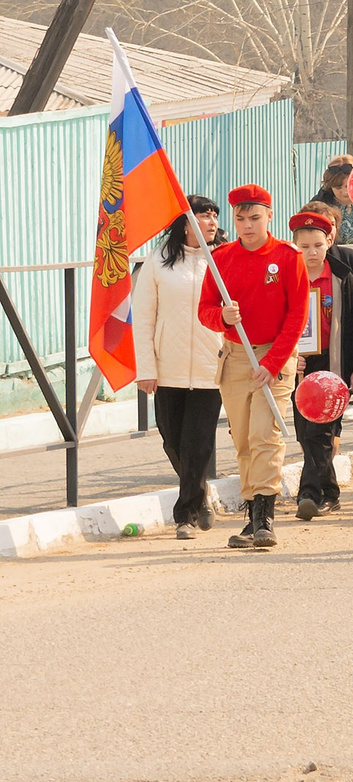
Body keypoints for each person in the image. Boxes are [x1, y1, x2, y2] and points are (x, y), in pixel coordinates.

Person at [195, 185, 304, 551]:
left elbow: (297, 315)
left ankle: (264, 515)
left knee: (264, 435)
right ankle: (250, 513)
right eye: (240, 219)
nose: (247, 226)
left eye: (255, 218)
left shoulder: (288, 257)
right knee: (242, 439)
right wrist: (222, 317)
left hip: (275, 355)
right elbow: (204, 310)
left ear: (269, 216)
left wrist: (274, 362)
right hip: (236, 355)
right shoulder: (221, 258)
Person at [133, 202, 223, 539]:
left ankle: (185, 514)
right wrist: (146, 367)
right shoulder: (158, 261)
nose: (212, 221)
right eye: (204, 215)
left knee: (197, 443)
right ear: (186, 222)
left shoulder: (223, 259)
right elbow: (143, 318)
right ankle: (200, 491)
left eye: (215, 215)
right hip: (166, 367)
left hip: (209, 367)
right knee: (173, 440)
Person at [288, 207, 353, 521]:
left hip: (334, 364)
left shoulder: (341, 277)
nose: (311, 252)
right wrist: (286, 357)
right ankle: (330, 493)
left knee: (322, 432)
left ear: (329, 241)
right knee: (304, 431)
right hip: (298, 366)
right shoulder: (287, 275)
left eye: (317, 245)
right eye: (304, 246)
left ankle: (308, 493)